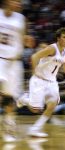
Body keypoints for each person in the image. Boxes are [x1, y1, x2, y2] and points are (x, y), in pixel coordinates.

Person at [17, 27, 65, 137]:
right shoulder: (52, 48)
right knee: (35, 109)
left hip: (51, 82)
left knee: (52, 104)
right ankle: (23, 99)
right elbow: (34, 56)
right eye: (64, 37)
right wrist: (34, 71)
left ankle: (35, 129)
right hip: (39, 80)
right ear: (58, 38)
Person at [0, 0, 26, 142]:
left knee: (10, 97)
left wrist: (27, 41)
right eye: (15, 0)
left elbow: (22, 40)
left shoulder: (21, 19)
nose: (18, 3)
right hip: (0, 59)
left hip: (14, 62)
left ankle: (9, 124)